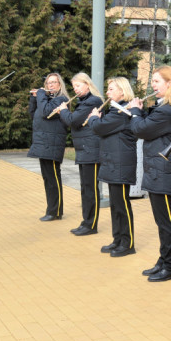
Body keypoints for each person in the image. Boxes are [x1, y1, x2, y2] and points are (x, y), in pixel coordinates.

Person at [128, 66, 171, 281]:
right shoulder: (163, 107)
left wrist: (135, 111)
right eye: (152, 81)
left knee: (166, 221)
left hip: (164, 170)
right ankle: (163, 261)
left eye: (156, 81)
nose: (152, 85)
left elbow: (141, 129)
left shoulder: (168, 110)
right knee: (161, 220)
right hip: (158, 169)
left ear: (169, 83)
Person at [88, 77, 138, 258]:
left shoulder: (122, 112)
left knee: (122, 205)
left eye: (111, 89)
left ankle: (128, 243)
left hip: (121, 164)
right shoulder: (114, 111)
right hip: (112, 163)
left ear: (122, 92)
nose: (107, 93)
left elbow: (100, 127)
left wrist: (93, 118)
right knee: (115, 205)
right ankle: (117, 239)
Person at [57, 73, 103, 236]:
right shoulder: (84, 102)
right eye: (74, 86)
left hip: (92, 150)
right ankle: (86, 221)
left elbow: (73, 121)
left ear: (87, 84)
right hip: (84, 150)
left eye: (78, 86)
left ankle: (91, 225)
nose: (75, 89)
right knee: (85, 188)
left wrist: (63, 110)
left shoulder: (93, 101)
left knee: (91, 189)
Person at [28, 73, 70, 221]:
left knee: (53, 178)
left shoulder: (61, 99)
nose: (50, 85)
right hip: (43, 143)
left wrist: (40, 94)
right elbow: (35, 114)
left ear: (60, 85)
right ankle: (51, 209)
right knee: (47, 178)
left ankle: (55, 211)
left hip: (52, 144)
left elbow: (46, 112)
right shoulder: (46, 99)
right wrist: (34, 99)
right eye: (48, 83)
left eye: (53, 82)